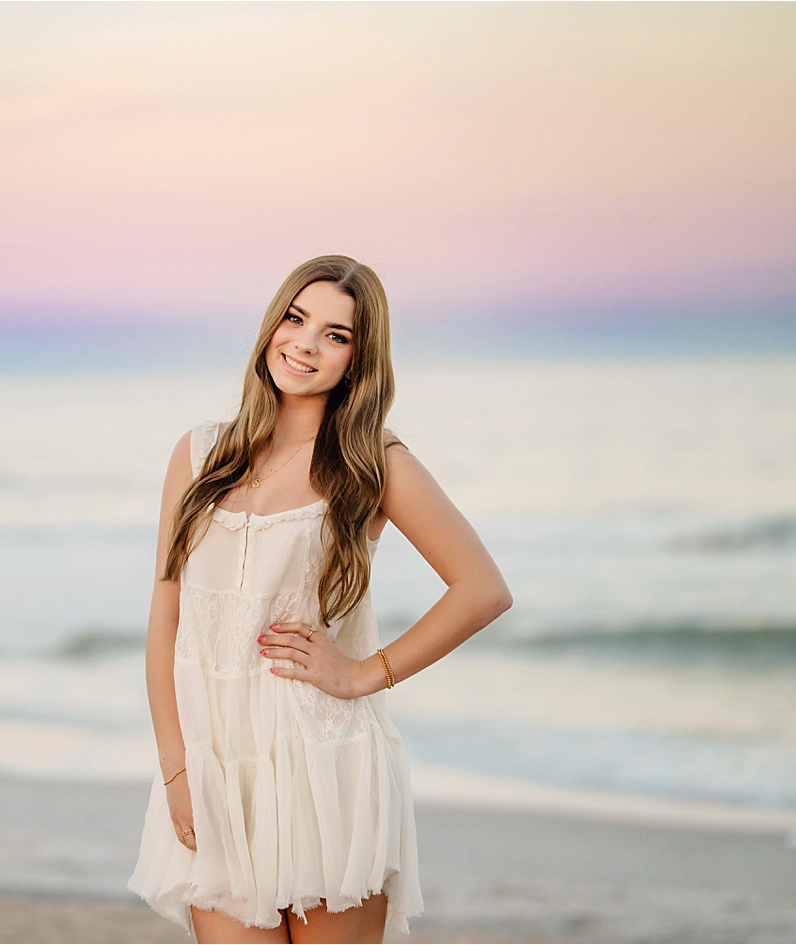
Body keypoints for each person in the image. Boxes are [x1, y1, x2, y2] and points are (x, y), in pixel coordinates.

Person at [126, 255, 513, 943]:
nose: (304, 343)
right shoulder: (199, 454)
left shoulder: (373, 461)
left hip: (325, 766)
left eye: (335, 335)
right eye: (296, 318)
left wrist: (364, 671)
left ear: (357, 361)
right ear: (272, 324)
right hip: (215, 768)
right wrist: (176, 767)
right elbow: (166, 615)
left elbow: (481, 588)